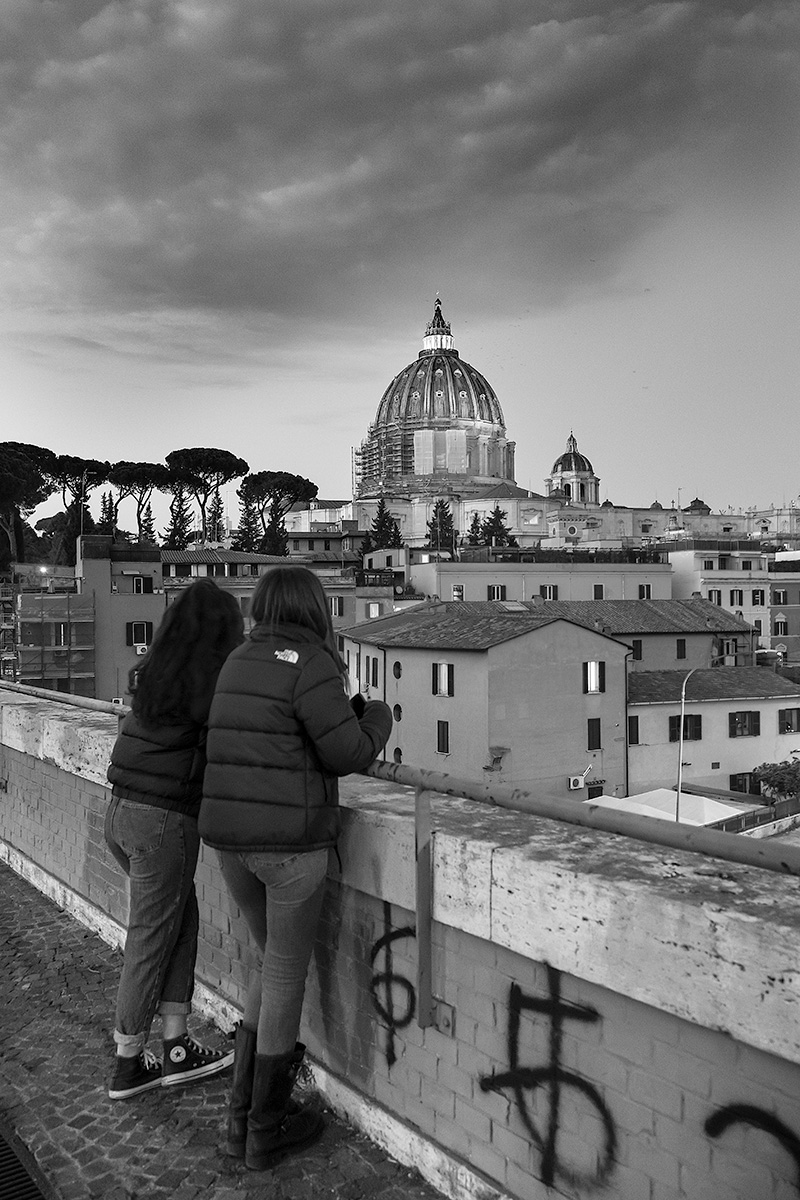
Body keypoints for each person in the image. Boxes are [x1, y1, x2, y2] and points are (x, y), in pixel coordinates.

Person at [199, 565, 392, 1171]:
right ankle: (265, 1127)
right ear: (315, 609)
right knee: (285, 975)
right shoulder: (310, 662)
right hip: (289, 850)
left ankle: (238, 1120)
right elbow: (347, 753)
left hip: (231, 846)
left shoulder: (239, 659)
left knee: (266, 964)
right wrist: (378, 716)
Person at [105, 578, 244, 1100]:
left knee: (180, 922)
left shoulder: (155, 675)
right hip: (164, 822)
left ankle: (176, 1047)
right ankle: (126, 1064)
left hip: (120, 812)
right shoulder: (212, 683)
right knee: (149, 940)